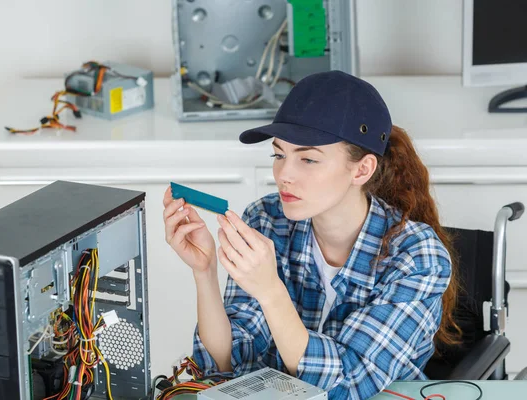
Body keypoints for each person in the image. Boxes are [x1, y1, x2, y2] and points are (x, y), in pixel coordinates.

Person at [162, 71, 461, 399]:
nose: (283, 175)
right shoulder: (266, 220)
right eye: (279, 155)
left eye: (307, 158)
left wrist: (271, 291)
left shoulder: (417, 256)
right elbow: (228, 364)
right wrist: (204, 272)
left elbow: (347, 386)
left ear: (361, 169)